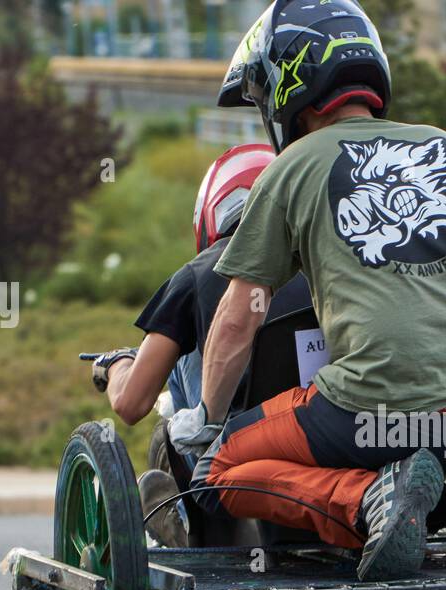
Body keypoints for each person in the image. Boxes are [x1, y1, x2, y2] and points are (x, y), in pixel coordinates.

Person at [182, 0, 446, 581]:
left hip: (372, 417)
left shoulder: (289, 168)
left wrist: (209, 418)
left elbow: (238, 321)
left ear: (289, 84)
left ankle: (368, 501)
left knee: (218, 472)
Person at [87, 143, 312, 545]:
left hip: (234, 457)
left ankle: (187, 518)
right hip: (326, 441)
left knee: (178, 352)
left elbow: (132, 404)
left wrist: (119, 363)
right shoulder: (325, 263)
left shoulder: (198, 273)